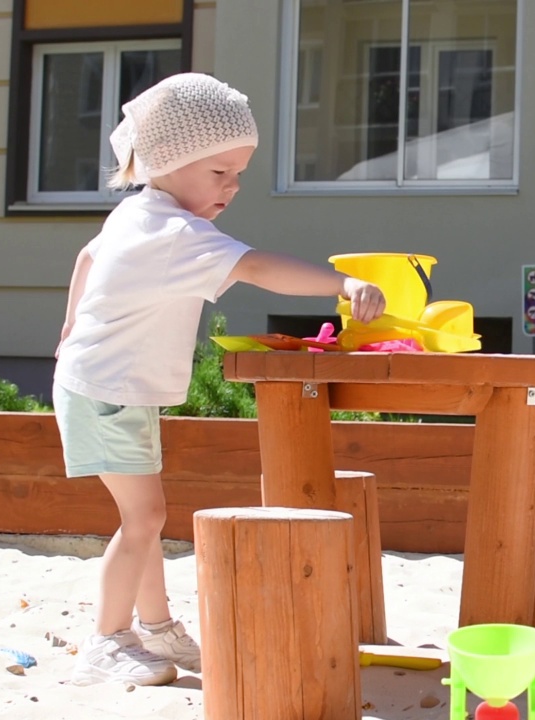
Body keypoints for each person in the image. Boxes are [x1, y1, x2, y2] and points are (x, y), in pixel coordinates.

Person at [53, 72, 386, 687]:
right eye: (218, 173)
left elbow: (87, 256)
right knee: (144, 518)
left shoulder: (140, 213)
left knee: (144, 515)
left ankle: (153, 627)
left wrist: (71, 326)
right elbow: (258, 266)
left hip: (108, 386)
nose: (231, 187)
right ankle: (104, 642)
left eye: (238, 175)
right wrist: (342, 283)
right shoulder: (174, 233)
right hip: (105, 393)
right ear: (170, 162)